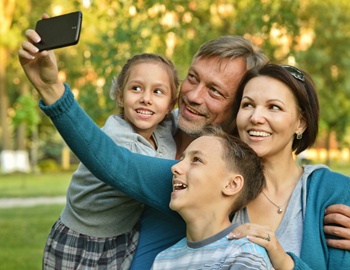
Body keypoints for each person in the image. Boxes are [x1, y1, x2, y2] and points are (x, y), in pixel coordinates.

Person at [18, 21, 350, 268]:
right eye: (192, 78)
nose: (192, 96)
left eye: (216, 91)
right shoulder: (196, 176)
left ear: (300, 122)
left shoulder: (330, 193)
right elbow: (115, 160)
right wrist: (52, 90)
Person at [42, 53, 179, 269]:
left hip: (122, 236)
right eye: (136, 88)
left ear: (170, 104)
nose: (146, 98)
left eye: (158, 91)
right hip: (81, 239)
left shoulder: (164, 128)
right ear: (120, 96)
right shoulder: (118, 138)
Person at [227, 63, 350, 269]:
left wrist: (286, 264)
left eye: (273, 107)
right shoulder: (212, 181)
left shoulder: (336, 192)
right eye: (247, 104)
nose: (255, 117)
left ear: (301, 123)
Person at [151, 125, 272, 269]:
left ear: (231, 184)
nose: (175, 167)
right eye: (181, 159)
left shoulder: (245, 254)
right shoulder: (163, 260)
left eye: (196, 160)